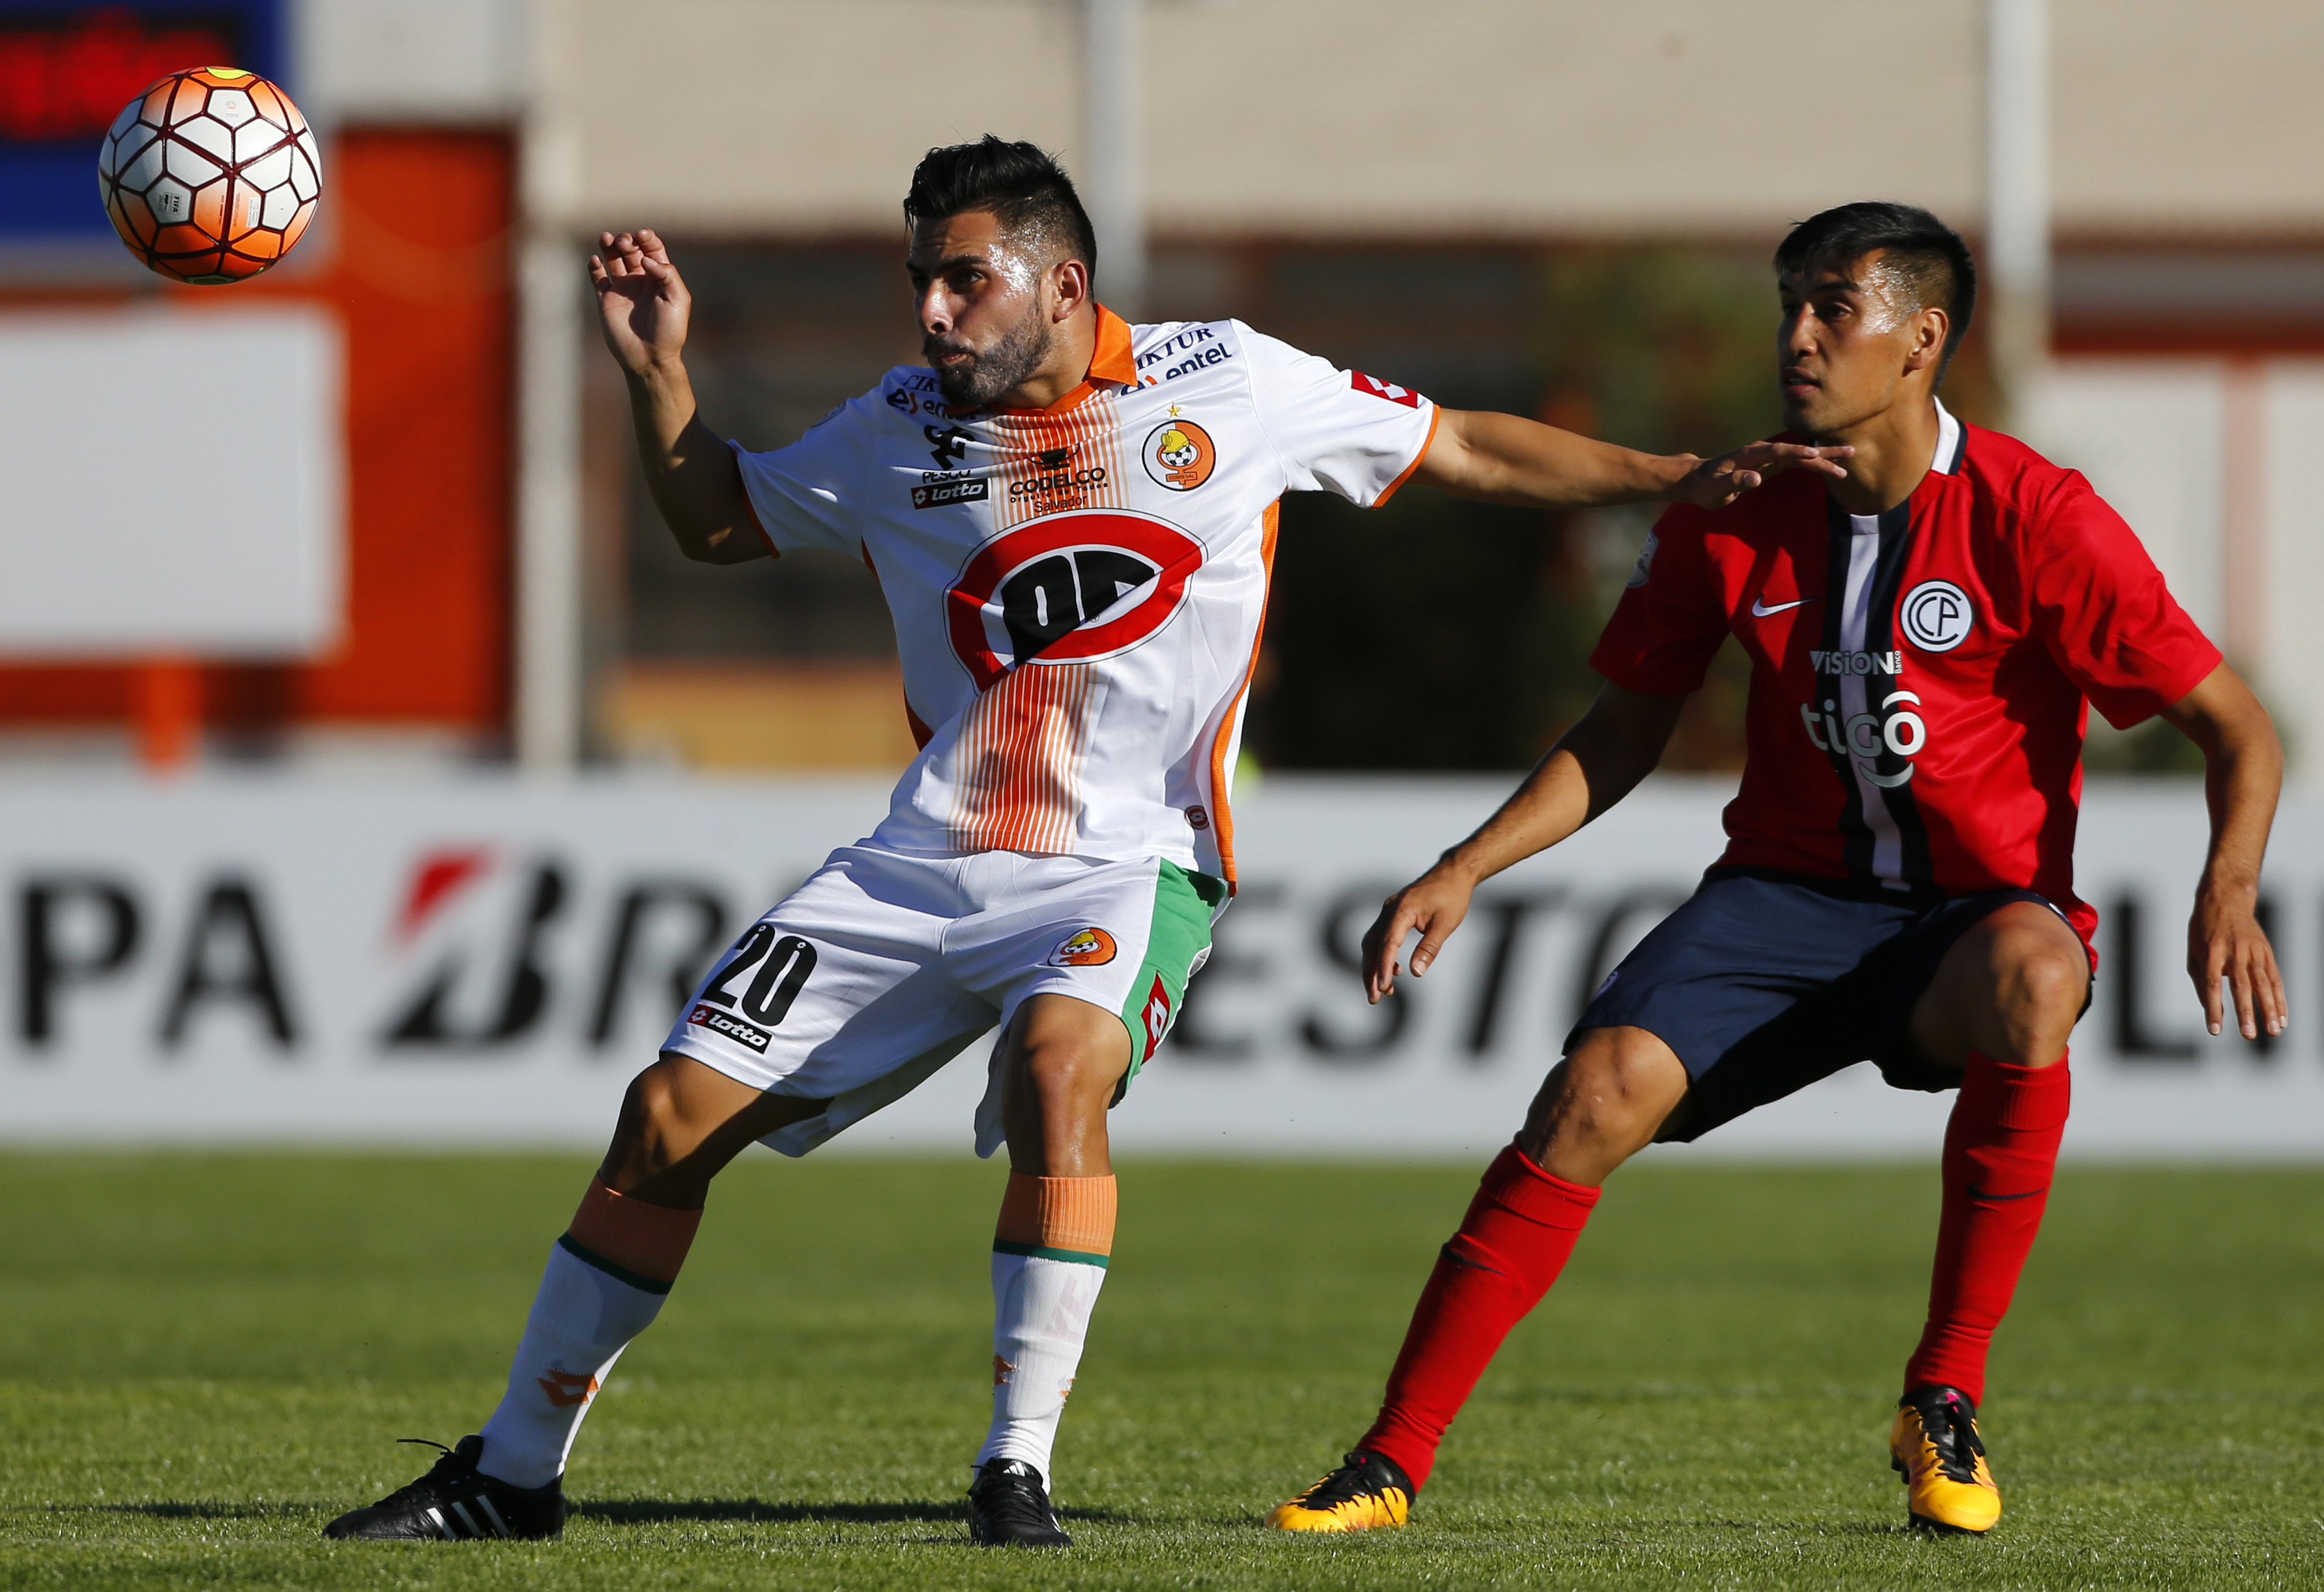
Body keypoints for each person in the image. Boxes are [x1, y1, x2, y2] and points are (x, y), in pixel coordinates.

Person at [321, 136, 1845, 1548]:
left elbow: (1458, 449)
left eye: (961, 278)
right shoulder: (897, 426)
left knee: (1062, 1067)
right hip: (919, 860)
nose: (931, 311)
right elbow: (717, 523)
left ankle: (1014, 1467)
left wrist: (1668, 476)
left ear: (1060, 283)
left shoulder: (1225, 381)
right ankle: (512, 1476)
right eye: (918, 279)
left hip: (1129, 861)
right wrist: (658, 375)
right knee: (662, 1118)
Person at [1267, 200, 2286, 1539]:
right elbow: (1621, 729)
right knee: (1591, 1094)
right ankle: (1388, 1463)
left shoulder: (2036, 515)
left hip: (1967, 919)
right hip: (1782, 902)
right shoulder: (1731, 514)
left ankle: (1942, 1396)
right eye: (1789, 307)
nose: (1797, 337)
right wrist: (1466, 865)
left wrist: (2226, 890)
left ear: (1920, 339)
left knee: (2039, 975)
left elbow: (2237, 727)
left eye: (1832, 309)